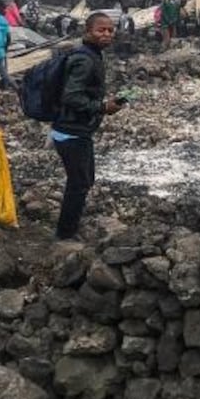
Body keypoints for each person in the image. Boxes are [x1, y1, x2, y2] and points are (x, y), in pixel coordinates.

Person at [52, 13, 122, 240]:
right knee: (79, 183)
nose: (107, 34)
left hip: (76, 129)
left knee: (84, 179)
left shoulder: (91, 54)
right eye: (101, 30)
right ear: (88, 31)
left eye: (110, 30)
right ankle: (64, 235)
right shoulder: (85, 59)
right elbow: (71, 96)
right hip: (71, 131)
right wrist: (102, 107)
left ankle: (69, 226)